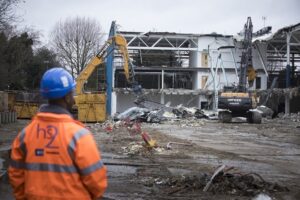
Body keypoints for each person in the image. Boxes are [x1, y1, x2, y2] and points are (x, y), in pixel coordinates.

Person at [8, 67, 107, 200]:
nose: (74, 99)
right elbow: (97, 182)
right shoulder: (79, 136)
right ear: (66, 97)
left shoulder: (25, 134)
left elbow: (15, 175)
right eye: (72, 94)